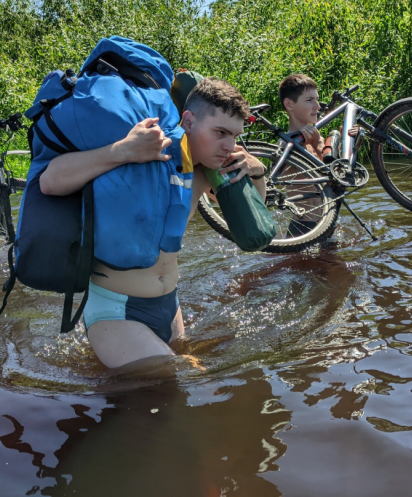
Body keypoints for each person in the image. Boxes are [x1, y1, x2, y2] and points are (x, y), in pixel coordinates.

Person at [39, 77, 267, 369]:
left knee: (169, 395)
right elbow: (50, 181)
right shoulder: (143, 150)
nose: (228, 145)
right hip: (116, 310)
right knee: (180, 381)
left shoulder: (202, 174)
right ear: (188, 120)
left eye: (234, 136)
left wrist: (257, 171)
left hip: (169, 307)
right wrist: (123, 150)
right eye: (220, 132)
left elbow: (251, 220)